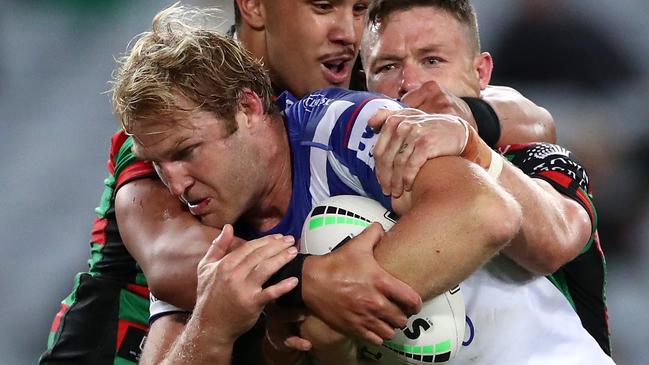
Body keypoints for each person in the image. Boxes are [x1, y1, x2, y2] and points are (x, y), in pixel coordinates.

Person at [40, 1, 556, 364]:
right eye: (323, 6)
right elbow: (183, 264)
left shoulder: (335, 101)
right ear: (256, 7)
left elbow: (534, 120)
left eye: (359, 9)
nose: (349, 33)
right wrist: (319, 282)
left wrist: (462, 116)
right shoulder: (178, 114)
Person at [360, 0, 610, 356]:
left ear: (481, 73)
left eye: (432, 60)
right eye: (387, 66)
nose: (410, 83)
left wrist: (470, 143)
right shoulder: (354, 176)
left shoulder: (533, 158)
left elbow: (558, 238)